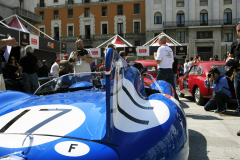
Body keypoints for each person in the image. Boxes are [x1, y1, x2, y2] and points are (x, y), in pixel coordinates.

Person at [154, 35, 179, 101]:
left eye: (158, 40)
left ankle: (157, 102)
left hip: (162, 71)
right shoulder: (170, 49)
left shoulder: (160, 48)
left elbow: (158, 61)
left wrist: (155, 56)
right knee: (172, 89)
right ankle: (177, 102)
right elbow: (172, 63)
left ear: (160, 41)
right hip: (170, 71)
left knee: (158, 87)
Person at [229, 22, 240, 118]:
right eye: (238, 31)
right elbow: (230, 57)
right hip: (237, 75)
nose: (239, 32)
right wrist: (230, 60)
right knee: (239, 101)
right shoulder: (235, 43)